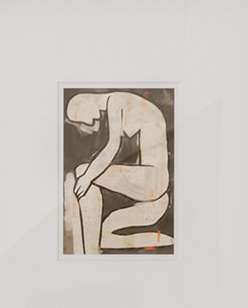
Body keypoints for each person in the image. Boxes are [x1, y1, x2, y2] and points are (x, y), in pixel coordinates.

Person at [63, 92, 170, 255]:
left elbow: (113, 146)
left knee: (83, 171)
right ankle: (167, 241)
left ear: (84, 103)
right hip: (155, 187)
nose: (87, 123)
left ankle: (90, 253)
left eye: (80, 117)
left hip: (152, 180)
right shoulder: (121, 103)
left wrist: (87, 178)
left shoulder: (116, 100)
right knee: (105, 234)